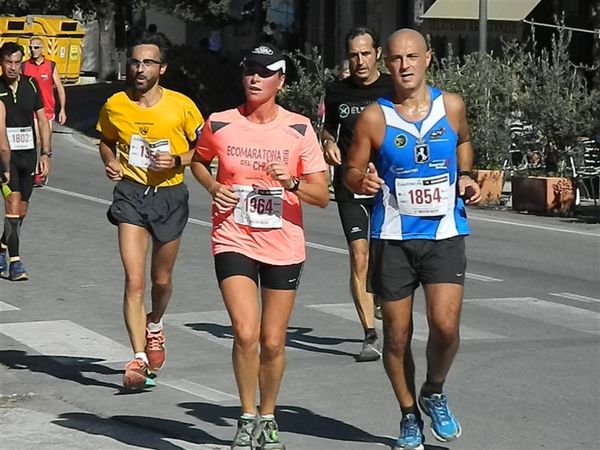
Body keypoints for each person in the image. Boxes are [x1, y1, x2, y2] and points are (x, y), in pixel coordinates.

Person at [344, 29, 481, 450]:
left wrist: (467, 175)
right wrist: (362, 181)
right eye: (397, 59)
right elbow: (350, 172)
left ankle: (434, 390)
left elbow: (464, 143)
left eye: (412, 57)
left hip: (443, 233)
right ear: (388, 64)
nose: (404, 66)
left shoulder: (451, 105)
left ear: (428, 59)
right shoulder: (374, 117)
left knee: (445, 327)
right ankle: (408, 416)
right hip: (393, 237)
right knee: (397, 337)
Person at [190, 43, 329, 450]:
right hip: (233, 235)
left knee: (272, 340)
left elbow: (321, 195)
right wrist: (215, 187)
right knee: (245, 331)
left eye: (265, 72)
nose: (254, 78)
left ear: (280, 81)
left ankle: (269, 415)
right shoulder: (219, 123)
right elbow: (196, 160)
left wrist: (291, 183)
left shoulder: (300, 129)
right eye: (249, 69)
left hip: (283, 242)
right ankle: (246, 415)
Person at [96, 32, 204, 390]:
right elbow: (106, 140)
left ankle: (154, 323)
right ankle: (139, 357)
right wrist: (111, 161)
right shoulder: (115, 104)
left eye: (148, 63)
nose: (140, 69)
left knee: (161, 280)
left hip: (170, 196)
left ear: (162, 68)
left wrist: (176, 158)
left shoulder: (182, 106)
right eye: (135, 62)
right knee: (134, 279)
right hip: (130, 195)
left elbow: (206, 150)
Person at [322, 27, 393, 362]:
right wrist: (329, 143)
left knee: (385, 258)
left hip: (388, 185)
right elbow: (328, 128)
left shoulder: (393, 88)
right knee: (359, 257)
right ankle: (370, 334)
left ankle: (380, 295)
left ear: (377, 53)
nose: (360, 61)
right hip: (350, 183)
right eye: (354, 54)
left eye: (366, 53)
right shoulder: (337, 90)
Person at [0, 42, 51, 281]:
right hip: (4, 158)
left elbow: (42, 121)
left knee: (21, 212)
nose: (12, 67)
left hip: (28, 157)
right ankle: (15, 263)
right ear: (1, 63)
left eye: (16, 62)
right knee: (12, 205)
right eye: (8, 62)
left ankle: (1, 248)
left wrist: (46, 154)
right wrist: (4, 164)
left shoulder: (31, 84)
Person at [22, 37, 67, 187]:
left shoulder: (50, 65)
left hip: (47, 110)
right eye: (31, 47)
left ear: (42, 49)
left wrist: (62, 110)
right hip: (32, 110)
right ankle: (35, 172)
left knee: (46, 142)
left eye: (36, 47)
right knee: (37, 140)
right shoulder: (25, 66)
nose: (33, 50)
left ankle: (43, 170)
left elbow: (59, 87)